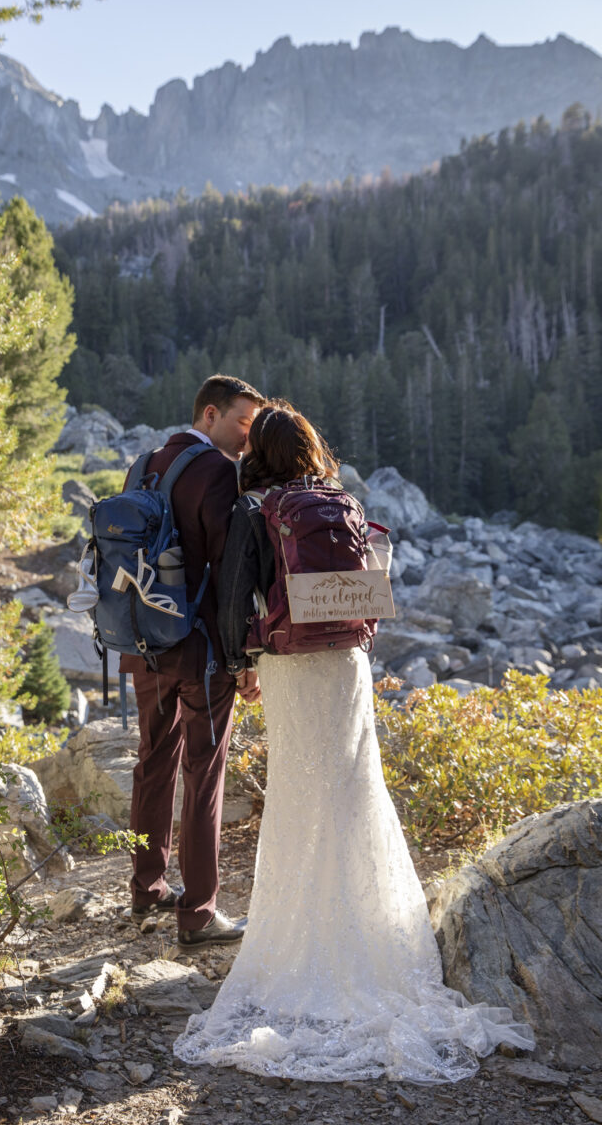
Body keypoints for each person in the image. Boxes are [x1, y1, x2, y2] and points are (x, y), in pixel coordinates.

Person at [173, 403, 534, 1082]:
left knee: (298, 793)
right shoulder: (343, 503)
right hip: (347, 663)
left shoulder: (257, 508)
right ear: (310, 448)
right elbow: (370, 588)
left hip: (289, 665)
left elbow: (234, 596)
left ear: (262, 455)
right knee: (356, 786)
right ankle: (372, 937)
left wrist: (240, 665)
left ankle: (301, 942)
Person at [124, 374, 265, 947]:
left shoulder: (145, 465)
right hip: (200, 649)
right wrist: (243, 655)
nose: (248, 437)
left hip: (143, 644)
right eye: (242, 422)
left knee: (152, 762)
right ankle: (199, 914)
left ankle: (147, 889)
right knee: (203, 774)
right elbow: (230, 575)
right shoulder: (216, 472)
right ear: (210, 414)